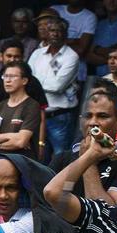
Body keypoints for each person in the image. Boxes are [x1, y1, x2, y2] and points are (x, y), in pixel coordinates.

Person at [50, 86, 117, 206]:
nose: (93, 123)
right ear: (81, 122)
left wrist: (89, 159)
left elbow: (105, 214)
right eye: (88, 116)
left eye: (102, 116)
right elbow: (52, 199)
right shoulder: (62, 159)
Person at [29, 11, 82, 160]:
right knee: (39, 157)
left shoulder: (71, 56)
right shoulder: (37, 54)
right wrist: (34, 82)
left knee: (61, 157)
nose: (55, 34)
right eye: (52, 30)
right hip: (38, 115)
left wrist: (35, 82)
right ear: (47, 32)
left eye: (59, 31)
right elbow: (27, 79)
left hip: (60, 116)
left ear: (65, 34)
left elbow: (57, 86)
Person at [0, 62, 42, 160]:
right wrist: (13, 138)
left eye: (13, 76)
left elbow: (21, 141)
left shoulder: (31, 106)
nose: (7, 80)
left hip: (23, 162)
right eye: (5, 76)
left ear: (24, 80)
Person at [0, 39, 46, 109]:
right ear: (1, 57)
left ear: (22, 58)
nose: (12, 60)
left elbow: (41, 111)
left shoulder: (32, 82)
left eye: (17, 57)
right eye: (9, 56)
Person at [51, 0, 97, 75]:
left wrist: (57, 42)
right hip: (50, 69)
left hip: (76, 72)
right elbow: (44, 42)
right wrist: (74, 41)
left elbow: (81, 50)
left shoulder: (89, 17)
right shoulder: (54, 10)